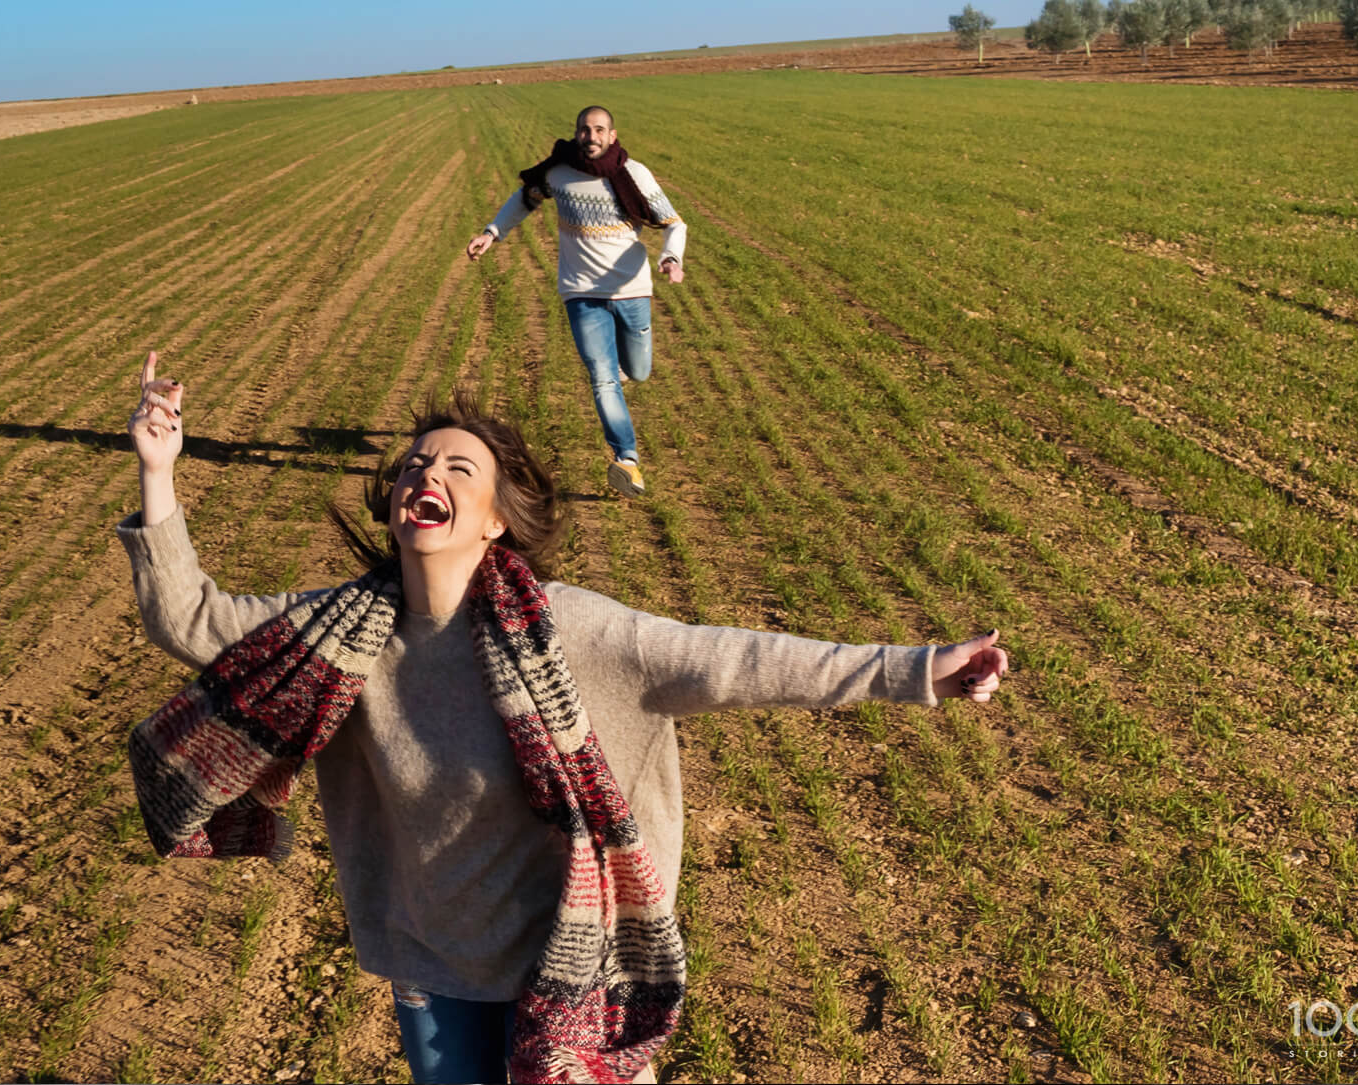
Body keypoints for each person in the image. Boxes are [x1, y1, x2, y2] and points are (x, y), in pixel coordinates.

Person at [119, 352, 1008, 1084]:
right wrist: (159, 472)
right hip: (434, 956)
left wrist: (920, 669)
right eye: (416, 465)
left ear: (497, 521)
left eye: (457, 467)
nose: (428, 474)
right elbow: (193, 620)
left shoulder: (574, 631)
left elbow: (737, 660)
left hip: (576, 953)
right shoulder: (339, 635)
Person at [466, 105, 685, 500]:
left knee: (638, 371)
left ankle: (621, 380)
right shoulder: (558, 172)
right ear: (576, 133)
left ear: (612, 136)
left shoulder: (633, 173)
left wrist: (672, 257)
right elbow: (525, 199)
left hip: (632, 289)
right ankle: (627, 461)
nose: (591, 136)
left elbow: (674, 223)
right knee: (602, 378)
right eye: (585, 129)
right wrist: (493, 232)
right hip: (580, 291)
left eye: (600, 129)